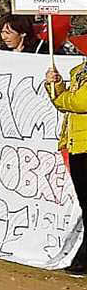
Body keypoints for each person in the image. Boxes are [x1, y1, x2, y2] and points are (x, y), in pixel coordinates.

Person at [42, 63, 87, 277]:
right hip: (76, 142)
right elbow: (66, 102)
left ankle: (83, 259)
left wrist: (61, 97)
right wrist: (55, 85)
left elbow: (80, 102)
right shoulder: (79, 70)